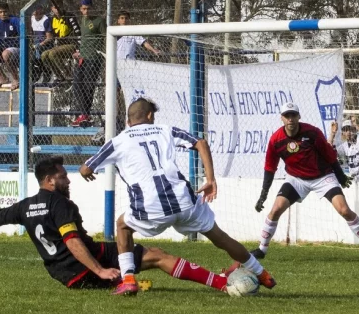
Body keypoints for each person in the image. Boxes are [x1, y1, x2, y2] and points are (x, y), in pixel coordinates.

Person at [79, 98, 276, 295]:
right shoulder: (165, 130)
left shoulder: (118, 141)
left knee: (122, 226)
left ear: (128, 121)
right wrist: (210, 180)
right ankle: (262, 273)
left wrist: (87, 172)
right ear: (150, 116)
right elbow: (201, 143)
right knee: (220, 237)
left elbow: (86, 168)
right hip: (185, 202)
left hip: (150, 208)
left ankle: (128, 279)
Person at [0, 156, 230, 293]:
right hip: (84, 266)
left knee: (128, 252)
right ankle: (220, 283)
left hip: (62, 274)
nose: (68, 180)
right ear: (49, 181)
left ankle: (123, 279)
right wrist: (99, 269)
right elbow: (72, 241)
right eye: (62, 177)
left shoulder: (25, 206)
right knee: (156, 255)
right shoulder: (60, 204)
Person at [252, 102, 359, 263]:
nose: (290, 119)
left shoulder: (312, 133)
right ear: (281, 118)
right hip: (296, 179)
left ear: (299, 117)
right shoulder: (276, 140)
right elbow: (270, 168)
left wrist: (340, 176)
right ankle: (262, 249)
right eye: (287, 116)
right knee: (275, 210)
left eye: (293, 115)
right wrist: (263, 195)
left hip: (323, 177)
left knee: (344, 210)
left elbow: (329, 155)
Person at [71, 0, 106, 127]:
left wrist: (104, 54)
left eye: (88, 8)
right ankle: (84, 114)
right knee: (76, 84)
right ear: (80, 9)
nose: (86, 11)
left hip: (94, 57)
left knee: (88, 86)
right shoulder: (83, 20)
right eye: (84, 9)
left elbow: (106, 37)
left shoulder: (99, 21)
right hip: (83, 57)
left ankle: (85, 115)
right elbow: (84, 39)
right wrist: (78, 51)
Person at [41, 0, 81, 83]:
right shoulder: (51, 20)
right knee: (44, 55)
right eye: (55, 7)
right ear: (52, 8)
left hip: (71, 45)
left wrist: (78, 48)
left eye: (59, 7)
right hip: (58, 46)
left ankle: (68, 74)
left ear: (62, 6)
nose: (58, 9)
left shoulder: (69, 17)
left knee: (52, 53)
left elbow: (78, 32)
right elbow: (50, 36)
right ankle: (59, 76)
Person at [31, 4, 54, 83]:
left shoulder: (46, 20)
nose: (35, 13)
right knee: (31, 58)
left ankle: (46, 73)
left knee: (40, 55)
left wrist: (40, 44)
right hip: (35, 44)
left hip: (45, 45)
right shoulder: (32, 18)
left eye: (37, 11)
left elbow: (49, 37)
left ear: (41, 10)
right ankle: (35, 76)